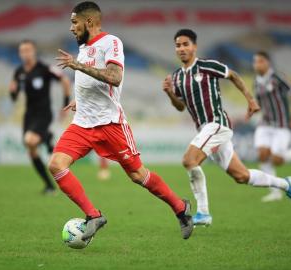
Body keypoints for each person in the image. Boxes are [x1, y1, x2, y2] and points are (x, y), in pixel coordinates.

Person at [49, 1, 194, 240]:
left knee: (138, 175)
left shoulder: (111, 42)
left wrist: (77, 65)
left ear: (89, 22)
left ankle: (180, 208)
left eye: (74, 22)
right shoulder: (84, 48)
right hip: (83, 123)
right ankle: (94, 215)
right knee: (56, 165)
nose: (71, 28)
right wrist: (80, 99)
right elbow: (91, 82)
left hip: (110, 124)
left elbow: (114, 77)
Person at [161, 29, 291, 226]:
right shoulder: (176, 77)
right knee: (241, 176)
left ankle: (203, 213)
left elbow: (233, 75)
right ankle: (286, 184)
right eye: (178, 45)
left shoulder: (207, 66)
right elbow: (180, 106)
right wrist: (169, 93)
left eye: (186, 44)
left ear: (194, 47)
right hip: (204, 130)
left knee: (189, 160)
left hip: (217, 124)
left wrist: (250, 100)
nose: (182, 48)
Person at [10, 40, 71, 194]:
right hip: (29, 114)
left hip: (43, 113)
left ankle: (46, 137)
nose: (26, 53)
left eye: (28, 50)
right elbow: (14, 96)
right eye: (22, 51)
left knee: (30, 140)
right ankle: (49, 185)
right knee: (31, 148)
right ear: (20, 53)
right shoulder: (19, 72)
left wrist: (65, 103)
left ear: (34, 51)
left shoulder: (44, 69)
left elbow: (64, 80)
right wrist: (13, 91)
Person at [253, 51, 291, 202]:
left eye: (260, 61)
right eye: (255, 61)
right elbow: (259, 103)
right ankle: (275, 193)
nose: (257, 64)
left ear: (268, 63)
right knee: (262, 155)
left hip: (282, 124)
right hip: (265, 124)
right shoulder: (256, 82)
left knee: (277, 160)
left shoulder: (278, 77)